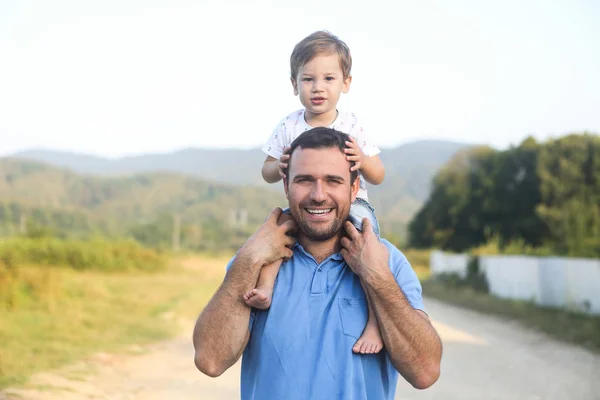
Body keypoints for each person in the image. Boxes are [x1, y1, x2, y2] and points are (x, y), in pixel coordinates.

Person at [193, 128, 442, 400]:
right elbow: (210, 361)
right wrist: (249, 259)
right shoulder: (256, 261)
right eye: (304, 180)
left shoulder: (387, 261)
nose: (318, 195)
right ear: (286, 186)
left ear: (354, 187)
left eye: (333, 181)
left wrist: (376, 275)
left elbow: (425, 372)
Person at [244, 30, 386, 354]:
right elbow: (266, 171)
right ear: (294, 85)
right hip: (305, 206)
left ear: (345, 83)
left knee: (370, 245)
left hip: (354, 203)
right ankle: (265, 287)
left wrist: (361, 160)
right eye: (308, 79)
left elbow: (378, 174)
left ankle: (376, 323)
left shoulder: (353, 126)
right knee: (275, 232)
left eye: (328, 78)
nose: (318, 87)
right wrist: (278, 165)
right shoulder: (289, 125)